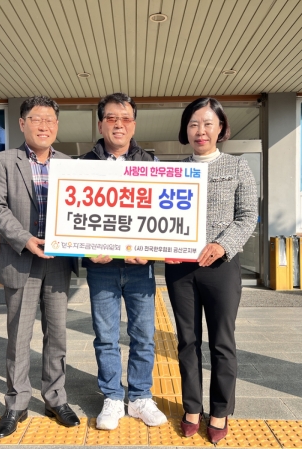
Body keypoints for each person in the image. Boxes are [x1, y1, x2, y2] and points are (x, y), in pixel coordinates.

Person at [0, 96, 80, 438]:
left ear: (57, 125)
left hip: (58, 263)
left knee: (57, 335)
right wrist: (25, 239)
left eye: (50, 120)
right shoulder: (2, 161)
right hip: (21, 259)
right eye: (37, 119)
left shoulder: (70, 164)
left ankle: (55, 397)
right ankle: (16, 403)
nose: (44, 126)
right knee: (19, 337)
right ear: (22, 123)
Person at [165, 97, 257, 443]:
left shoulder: (237, 167)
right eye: (193, 124)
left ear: (221, 128)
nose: (200, 131)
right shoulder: (173, 171)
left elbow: (247, 216)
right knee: (187, 341)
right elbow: (162, 218)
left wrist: (222, 245)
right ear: (185, 131)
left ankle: (220, 411)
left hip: (221, 266)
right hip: (180, 270)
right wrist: (162, 248)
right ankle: (192, 408)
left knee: (222, 341)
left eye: (207, 124)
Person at [80, 93, 167, 430]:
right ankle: (113, 397)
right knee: (105, 336)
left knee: (144, 335)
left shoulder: (152, 164)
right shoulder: (81, 166)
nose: (119, 124)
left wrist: (151, 250)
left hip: (140, 268)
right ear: (100, 124)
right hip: (100, 268)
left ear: (134, 124)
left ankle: (141, 397)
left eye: (126, 118)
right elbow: (72, 220)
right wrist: (86, 249)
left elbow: (163, 215)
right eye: (112, 118)